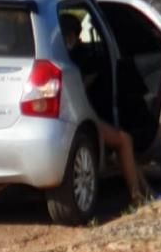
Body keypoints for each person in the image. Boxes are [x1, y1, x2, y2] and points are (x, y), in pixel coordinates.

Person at [60, 13, 152, 205]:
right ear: (71, 37)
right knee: (124, 140)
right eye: (74, 36)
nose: (75, 40)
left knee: (124, 140)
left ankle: (147, 194)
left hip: (66, 119)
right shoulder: (74, 61)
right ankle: (137, 196)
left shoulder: (58, 55)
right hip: (76, 118)